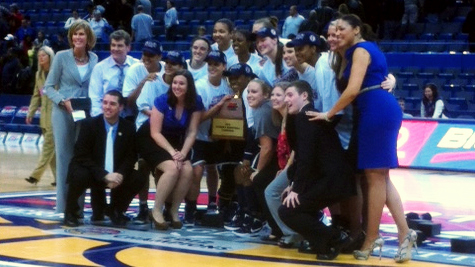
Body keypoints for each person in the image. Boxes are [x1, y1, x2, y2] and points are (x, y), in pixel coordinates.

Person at [307, 14, 415, 262]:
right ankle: (405, 234)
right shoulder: (353, 52)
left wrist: (328, 113)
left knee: (375, 177)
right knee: (380, 177)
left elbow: (353, 89)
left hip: (376, 109)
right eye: (334, 30)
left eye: (342, 29)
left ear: (356, 29)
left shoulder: (361, 49)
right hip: (373, 109)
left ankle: (372, 238)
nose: (338, 33)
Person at [278, 80, 354, 260]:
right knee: (292, 204)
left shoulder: (305, 117)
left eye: (290, 95)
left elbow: (306, 157)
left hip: (333, 181)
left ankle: (334, 238)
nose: (286, 100)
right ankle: (320, 242)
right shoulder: (304, 116)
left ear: (304, 96)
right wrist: (294, 185)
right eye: (285, 96)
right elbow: (305, 158)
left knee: (287, 210)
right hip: (333, 179)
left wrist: (296, 189)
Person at [63, 90, 145, 227]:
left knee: (138, 177)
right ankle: (70, 212)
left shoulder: (129, 127)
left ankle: (116, 210)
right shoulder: (89, 124)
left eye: (112, 104)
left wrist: (119, 174)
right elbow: (81, 155)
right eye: (105, 103)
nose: (107, 107)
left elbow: (131, 156)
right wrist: (105, 175)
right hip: (93, 171)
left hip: (115, 171)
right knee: (78, 173)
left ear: (121, 107)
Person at [136, 70, 204, 230]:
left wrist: (183, 153)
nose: (177, 86)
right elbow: (155, 132)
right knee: (173, 169)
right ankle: (156, 210)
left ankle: (173, 211)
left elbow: (192, 131)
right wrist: (173, 153)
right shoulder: (162, 101)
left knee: (187, 169)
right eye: (174, 83)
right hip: (151, 139)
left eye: (181, 83)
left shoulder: (195, 102)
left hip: (175, 141)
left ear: (189, 87)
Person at [44, 20, 98, 214]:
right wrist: (62, 101)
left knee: (81, 158)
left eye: (81, 34)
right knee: (64, 157)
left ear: (89, 37)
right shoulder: (61, 57)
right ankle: (63, 206)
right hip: (63, 113)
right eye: (75, 34)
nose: (78, 38)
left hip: (85, 113)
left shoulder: (94, 58)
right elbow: (48, 87)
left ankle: (78, 206)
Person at [184, 50, 234, 225]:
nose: (212, 67)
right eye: (210, 64)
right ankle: (190, 207)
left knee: (213, 170)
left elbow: (230, 117)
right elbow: (198, 119)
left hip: (217, 136)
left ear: (223, 66)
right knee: (197, 172)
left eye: (216, 64)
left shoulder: (227, 86)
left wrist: (226, 138)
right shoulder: (199, 86)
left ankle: (212, 202)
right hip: (198, 135)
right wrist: (219, 105)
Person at [122, 39, 165, 222]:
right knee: (143, 166)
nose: (146, 58)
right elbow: (128, 102)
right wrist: (143, 81)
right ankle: (142, 206)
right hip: (142, 124)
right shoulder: (135, 70)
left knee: (161, 169)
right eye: (144, 54)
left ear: (159, 56)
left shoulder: (166, 69)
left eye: (151, 55)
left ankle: (159, 207)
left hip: (164, 125)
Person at [25, 46, 56, 186]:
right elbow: (36, 95)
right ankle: (59, 178)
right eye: (39, 56)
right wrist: (30, 112)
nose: (40, 58)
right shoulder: (38, 74)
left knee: (47, 147)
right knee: (52, 153)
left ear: (50, 57)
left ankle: (35, 175)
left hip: (56, 117)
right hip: (44, 117)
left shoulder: (57, 73)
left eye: (43, 55)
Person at [89, 30, 139, 118]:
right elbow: (95, 98)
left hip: (133, 116)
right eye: (113, 45)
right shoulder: (100, 68)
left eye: (120, 46)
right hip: (107, 117)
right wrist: (100, 121)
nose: (115, 49)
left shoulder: (137, 66)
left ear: (128, 48)